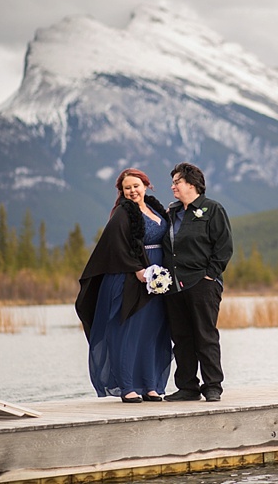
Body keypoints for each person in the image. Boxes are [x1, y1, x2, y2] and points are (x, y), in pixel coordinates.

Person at [75, 168, 172, 403]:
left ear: (146, 186)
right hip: (131, 280)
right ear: (122, 191)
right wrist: (138, 270)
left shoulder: (155, 209)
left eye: (136, 186)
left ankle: (150, 385)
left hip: (158, 280)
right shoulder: (122, 213)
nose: (132, 191)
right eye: (127, 188)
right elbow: (115, 246)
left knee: (151, 332)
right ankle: (127, 386)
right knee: (127, 333)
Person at [162, 162, 233, 402]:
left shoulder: (212, 209)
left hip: (202, 284)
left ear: (192, 184)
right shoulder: (171, 213)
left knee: (205, 335)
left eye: (177, 182)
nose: (172, 187)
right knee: (181, 337)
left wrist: (210, 275)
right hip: (174, 285)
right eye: (173, 183)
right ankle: (188, 387)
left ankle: (213, 385)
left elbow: (224, 246)